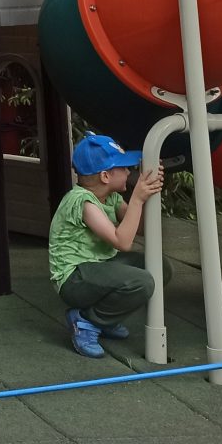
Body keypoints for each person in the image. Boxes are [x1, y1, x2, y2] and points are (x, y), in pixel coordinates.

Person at [49, 133, 167, 358]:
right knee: (141, 282)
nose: (129, 172)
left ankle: (104, 318)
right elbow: (123, 242)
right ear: (105, 176)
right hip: (75, 278)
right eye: (123, 168)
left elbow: (141, 228)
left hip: (99, 266)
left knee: (159, 268)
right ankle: (86, 322)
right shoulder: (82, 201)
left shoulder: (110, 197)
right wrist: (137, 198)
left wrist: (151, 191)